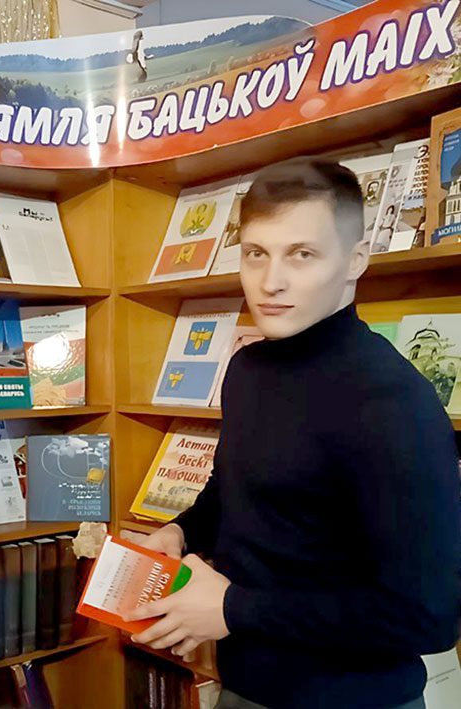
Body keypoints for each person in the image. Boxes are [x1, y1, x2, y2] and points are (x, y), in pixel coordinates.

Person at [131, 158, 460, 709]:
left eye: (302, 254)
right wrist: (180, 531)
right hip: (245, 686)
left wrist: (233, 610)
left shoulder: (393, 401)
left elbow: (427, 616)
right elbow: (237, 489)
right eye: (256, 254)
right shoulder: (248, 369)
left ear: (355, 260)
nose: (270, 282)